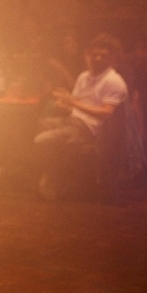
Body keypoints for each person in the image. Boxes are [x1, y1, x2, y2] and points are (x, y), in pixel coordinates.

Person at [33, 32, 130, 199]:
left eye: (103, 56)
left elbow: (106, 113)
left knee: (41, 140)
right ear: (87, 55)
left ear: (113, 58)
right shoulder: (84, 77)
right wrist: (64, 103)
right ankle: (45, 177)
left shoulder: (113, 81)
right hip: (73, 120)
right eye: (94, 55)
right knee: (32, 124)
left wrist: (74, 103)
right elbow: (75, 104)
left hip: (90, 129)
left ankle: (52, 180)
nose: (98, 58)